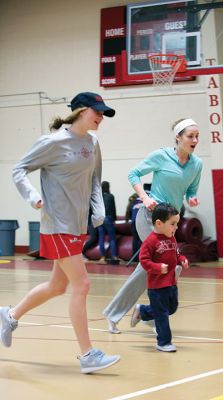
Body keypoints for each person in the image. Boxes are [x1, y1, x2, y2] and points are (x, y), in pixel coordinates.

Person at [0, 91, 120, 373]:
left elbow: (95, 180)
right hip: (57, 224)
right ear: (81, 112)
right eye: (97, 111)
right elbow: (19, 169)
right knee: (83, 284)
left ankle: (9, 316)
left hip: (78, 225)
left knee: (58, 286)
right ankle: (88, 355)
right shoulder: (52, 143)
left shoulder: (92, 143)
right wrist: (32, 197)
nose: (101, 117)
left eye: (103, 112)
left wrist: (98, 208)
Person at [103, 117, 202, 334]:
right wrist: (144, 198)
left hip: (171, 223)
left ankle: (147, 312)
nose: (195, 140)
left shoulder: (197, 164)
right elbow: (133, 174)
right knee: (154, 265)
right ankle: (124, 314)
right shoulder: (161, 156)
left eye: (197, 136)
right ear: (178, 137)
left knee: (171, 266)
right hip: (150, 218)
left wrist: (192, 198)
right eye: (190, 136)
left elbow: (191, 189)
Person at [130, 203, 188, 352]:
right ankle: (163, 342)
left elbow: (175, 254)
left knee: (172, 308)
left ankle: (143, 311)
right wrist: (157, 267)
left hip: (171, 282)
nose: (176, 227)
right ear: (159, 223)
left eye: (177, 224)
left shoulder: (172, 239)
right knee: (162, 314)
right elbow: (144, 261)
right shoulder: (150, 241)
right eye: (173, 224)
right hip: (157, 286)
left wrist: (181, 259)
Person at [98, 181, 119, 264]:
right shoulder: (111, 196)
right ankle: (114, 256)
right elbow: (113, 209)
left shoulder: (99, 197)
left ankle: (102, 257)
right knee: (112, 238)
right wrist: (114, 219)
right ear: (108, 187)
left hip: (100, 219)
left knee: (101, 238)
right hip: (108, 218)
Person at [125, 193, 142, 262]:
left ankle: (134, 257)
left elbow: (128, 214)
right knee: (141, 240)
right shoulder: (144, 202)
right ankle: (140, 257)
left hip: (133, 222)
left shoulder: (132, 203)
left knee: (135, 240)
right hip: (141, 223)